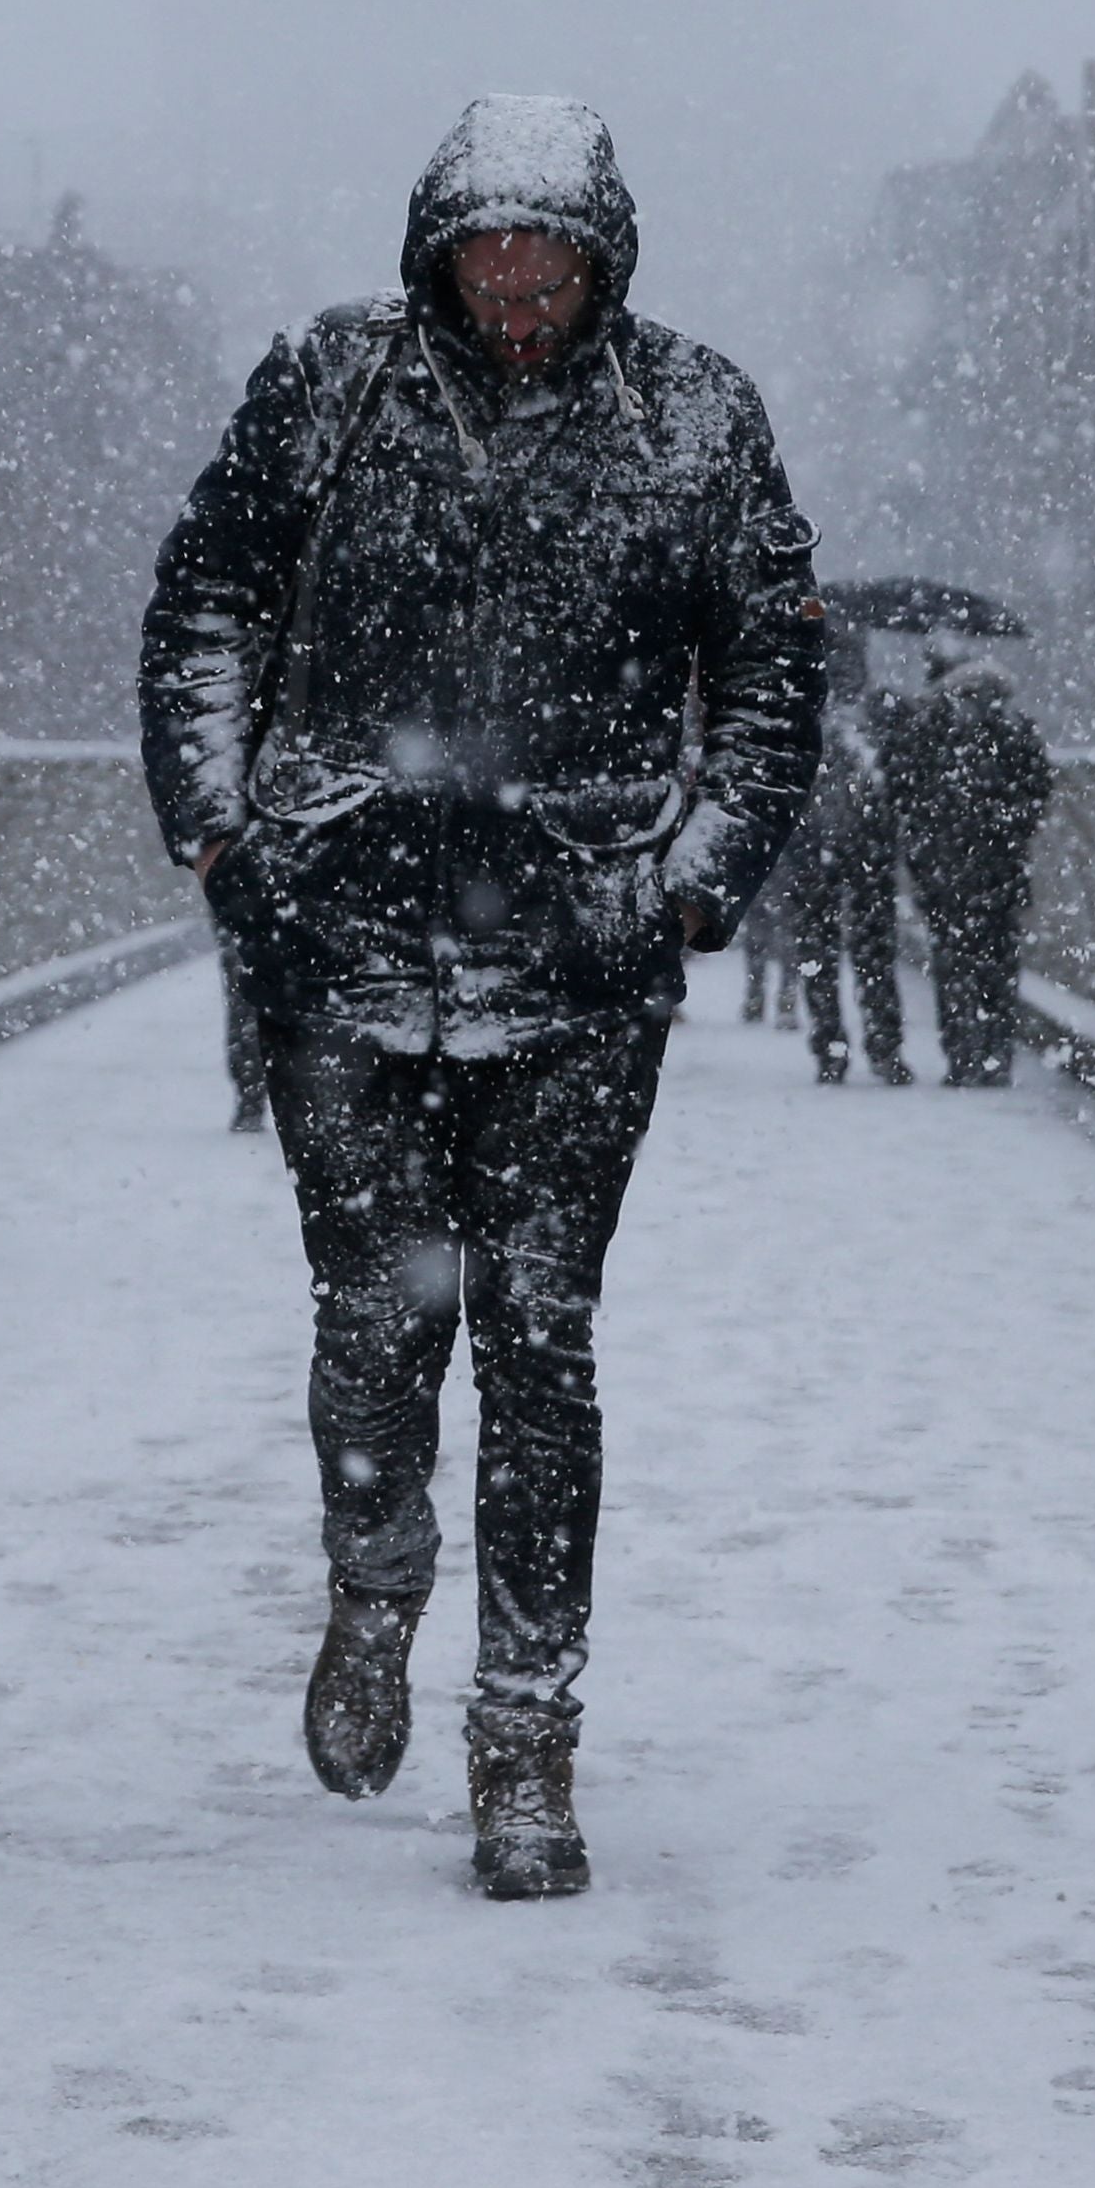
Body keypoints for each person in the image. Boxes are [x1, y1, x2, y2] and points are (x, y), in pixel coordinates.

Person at [144, 95, 826, 1900]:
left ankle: (524, 1741)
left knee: (539, 1341)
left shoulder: (696, 417)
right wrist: (221, 832)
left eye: (547, 255)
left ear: (603, 255)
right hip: (345, 937)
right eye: (485, 252)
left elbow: (767, 669)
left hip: (579, 956)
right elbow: (205, 593)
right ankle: (375, 1582)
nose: (515, 288)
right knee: (371, 1318)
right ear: (433, 251)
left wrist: (691, 880)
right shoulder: (329, 387)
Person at [880, 646, 1053, 1086]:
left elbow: (899, 786)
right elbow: (1037, 791)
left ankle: (961, 1054)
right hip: (1001, 867)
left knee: (952, 960)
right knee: (998, 960)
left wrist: (924, 839)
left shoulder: (928, 726)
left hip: (943, 869)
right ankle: (996, 1054)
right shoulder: (1014, 726)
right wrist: (1009, 829)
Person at [786, 677, 908, 1086]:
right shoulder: (876, 727)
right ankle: (884, 1048)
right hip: (866, 861)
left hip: (815, 860)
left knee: (819, 959)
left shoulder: (801, 725)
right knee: (874, 958)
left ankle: (832, 1051)